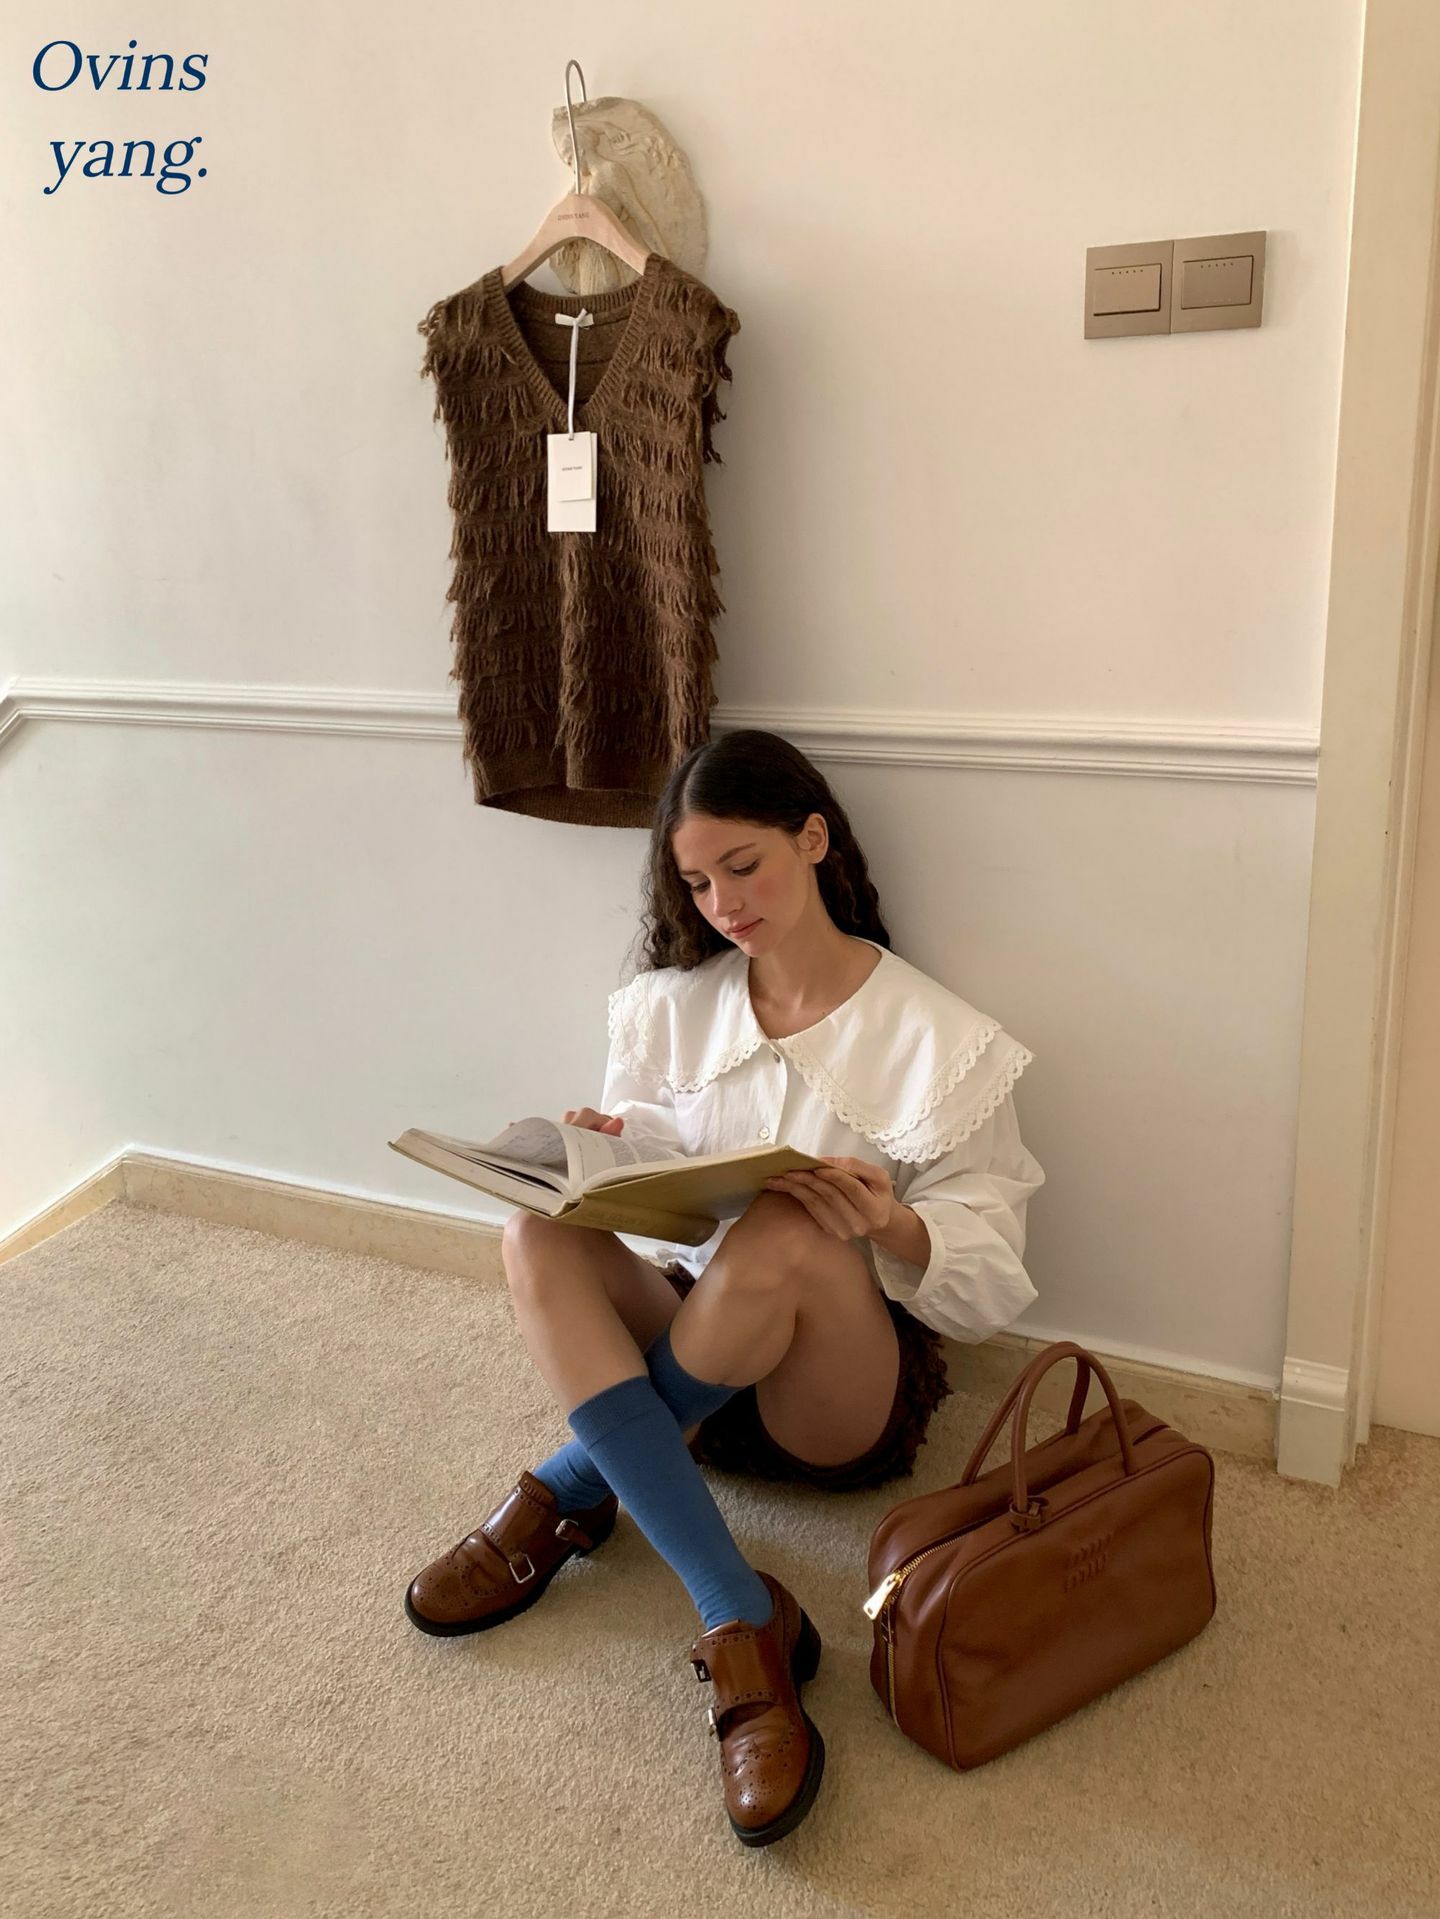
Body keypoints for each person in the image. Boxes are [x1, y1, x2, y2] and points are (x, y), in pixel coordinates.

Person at [404, 729, 1045, 1847]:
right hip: (701, 1352)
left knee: (790, 1222)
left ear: (814, 838)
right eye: (698, 883)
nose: (722, 904)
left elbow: (994, 1279)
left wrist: (887, 1220)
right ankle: (741, 1611)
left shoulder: (940, 1039)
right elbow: (657, 1190)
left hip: (831, 1399)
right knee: (534, 1231)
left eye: (742, 866)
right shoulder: (667, 1006)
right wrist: (609, 1146)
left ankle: (574, 1485)